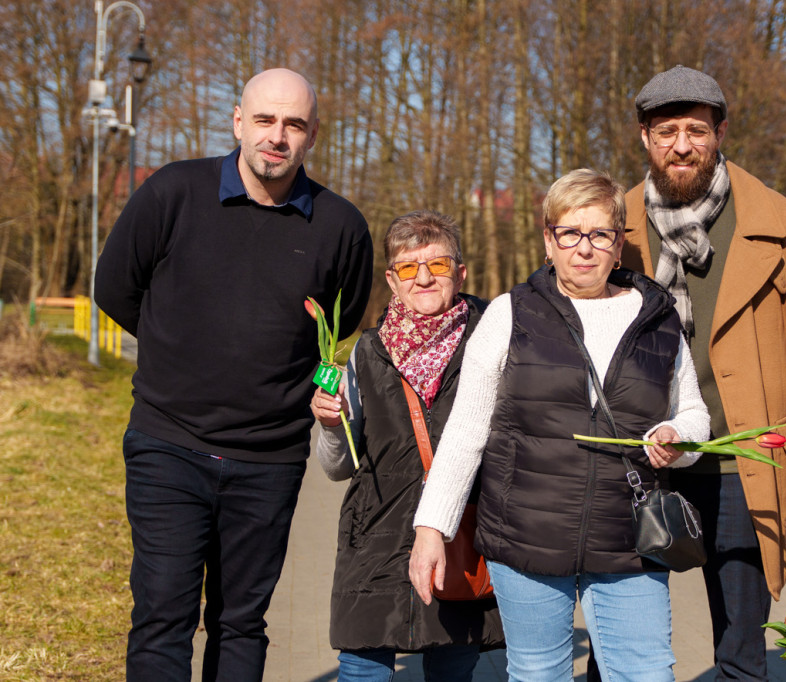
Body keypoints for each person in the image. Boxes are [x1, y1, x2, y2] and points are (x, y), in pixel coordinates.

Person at [95, 68, 373, 681]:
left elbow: (340, 320)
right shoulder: (173, 192)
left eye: (294, 124)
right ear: (238, 122)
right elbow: (114, 287)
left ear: (313, 136)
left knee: (242, 623)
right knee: (162, 618)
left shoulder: (340, 226)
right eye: (266, 120)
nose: (277, 136)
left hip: (269, 461)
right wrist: (181, 347)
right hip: (168, 445)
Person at [408, 168, 711, 681]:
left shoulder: (658, 320)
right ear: (549, 241)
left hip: (628, 538)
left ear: (619, 245)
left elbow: (694, 413)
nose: (584, 248)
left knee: (647, 672)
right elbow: (464, 435)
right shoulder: (510, 314)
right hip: (527, 536)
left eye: (599, 234)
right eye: (569, 233)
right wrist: (430, 528)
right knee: (538, 672)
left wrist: (679, 440)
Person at [619, 65, 786, 681]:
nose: (682, 145)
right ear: (644, 137)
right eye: (667, 131)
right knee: (619, 639)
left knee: (740, 651)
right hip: (641, 457)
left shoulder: (783, 224)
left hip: (744, 461)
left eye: (697, 131)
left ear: (720, 131)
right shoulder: (611, 226)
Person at [310, 210, 504, 681]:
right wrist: (331, 426)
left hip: (460, 537)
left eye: (436, 265)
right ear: (392, 282)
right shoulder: (365, 352)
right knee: (361, 670)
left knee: (454, 670)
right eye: (408, 268)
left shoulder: (493, 341)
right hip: (373, 542)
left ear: (459, 274)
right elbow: (337, 468)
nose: (423, 278)